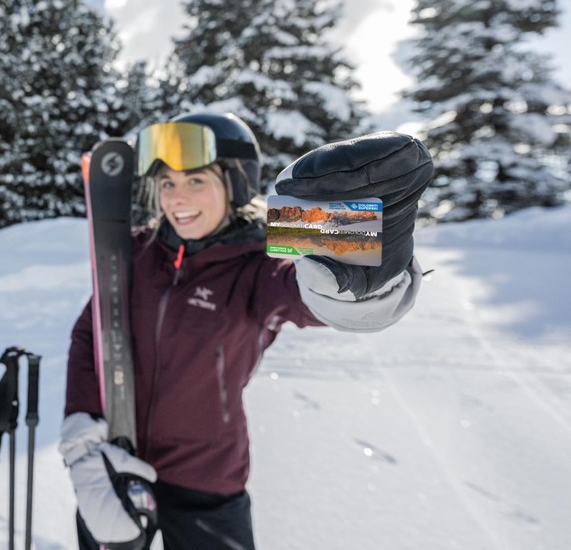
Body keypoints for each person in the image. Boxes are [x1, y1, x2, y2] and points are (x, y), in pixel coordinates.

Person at [59, 111, 433, 550]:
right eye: (167, 184)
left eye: (196, 181)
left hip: (207, 478)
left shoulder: (257, 264)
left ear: (234, 184)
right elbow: (91, 332)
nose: (177, 198)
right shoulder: (139, 251)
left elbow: (305, 291)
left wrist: (361, 271)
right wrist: (82, 434)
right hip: (117, 464)